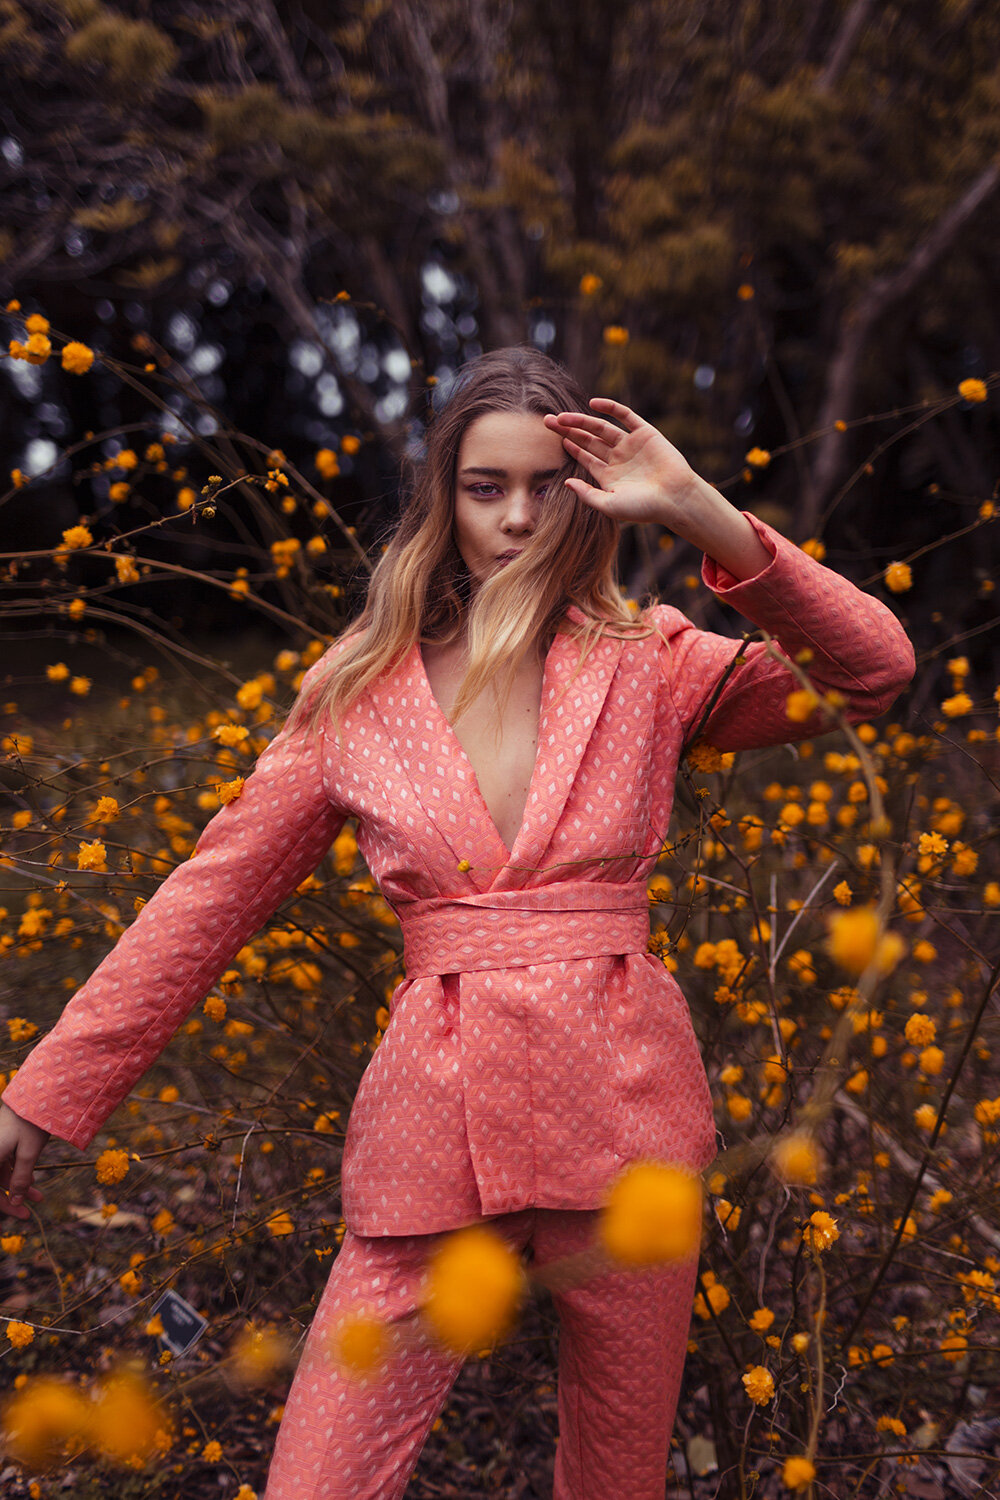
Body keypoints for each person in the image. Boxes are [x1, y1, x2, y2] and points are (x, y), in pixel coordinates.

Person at [0, 345, 915, 1498]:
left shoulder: (651, 665)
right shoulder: (359, 692)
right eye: (486, 488)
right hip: (431, 1141)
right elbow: (210, 895)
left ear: (587, 499)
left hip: (628, 1131)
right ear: (444, 497)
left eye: (546, 485)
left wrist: (696, 507)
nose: (519, 517)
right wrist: (49, 1089)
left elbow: (873, 668)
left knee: (617, 1479)